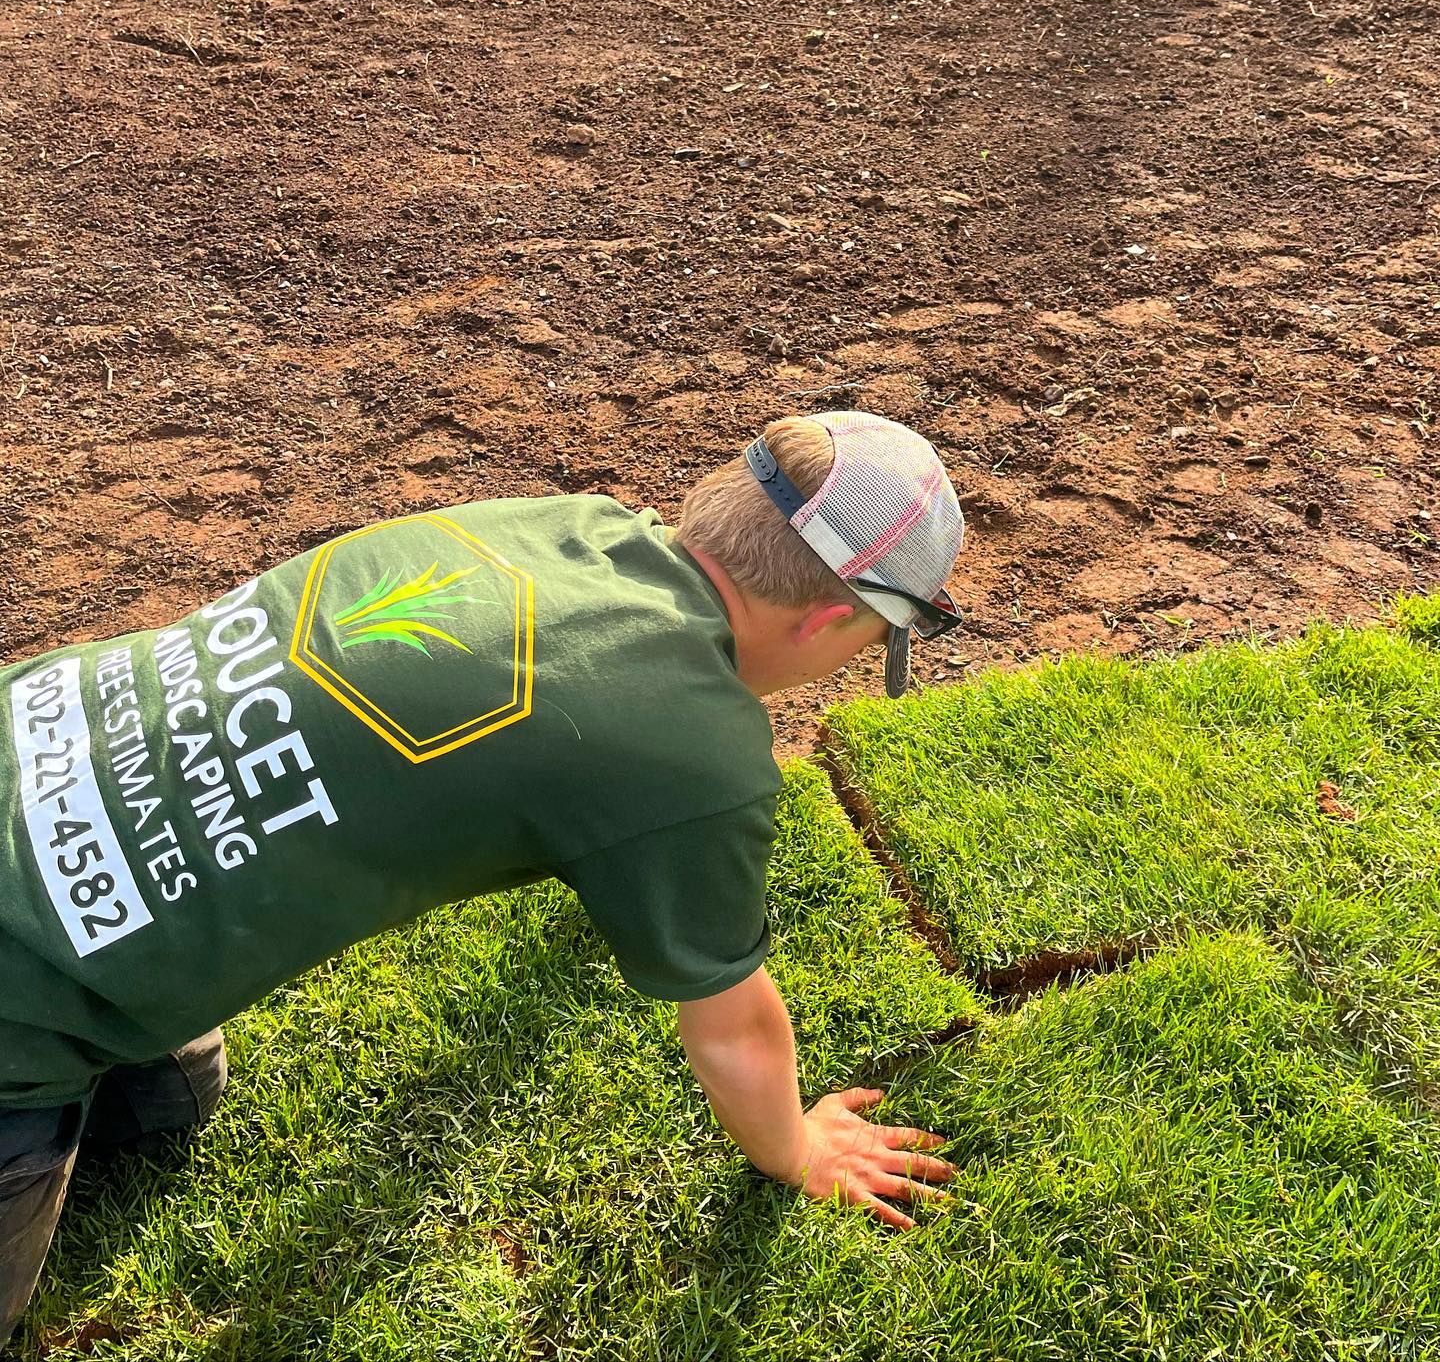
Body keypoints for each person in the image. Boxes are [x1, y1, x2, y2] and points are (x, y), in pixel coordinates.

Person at [0, 409, 967, 1344]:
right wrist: (794, 1148)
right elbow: (734, 1033)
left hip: (26, 760)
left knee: (172, 1095)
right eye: (864, 649)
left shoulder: (565, 523)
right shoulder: (693, 752)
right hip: (22, 995)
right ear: (830, 621)